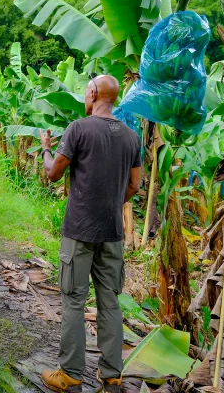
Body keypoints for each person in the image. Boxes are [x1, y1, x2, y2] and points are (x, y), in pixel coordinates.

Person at [38, 76, 142, 393]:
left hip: (80, 229)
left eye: (87, 91)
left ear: (94, 93)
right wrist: (111, 204)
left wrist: (45, 151)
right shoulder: (130, 136)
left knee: (73, 299)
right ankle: (111, 373)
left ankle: (69, 373)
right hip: (112, 231)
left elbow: (54, 173)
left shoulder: (79, 128)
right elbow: (135, 185)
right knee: (110, 301)